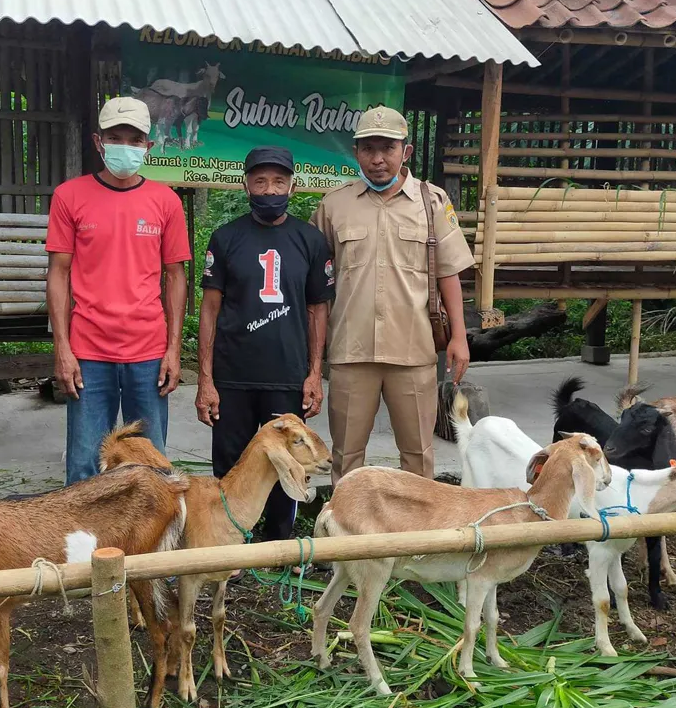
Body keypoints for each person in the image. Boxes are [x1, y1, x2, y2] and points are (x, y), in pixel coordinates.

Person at [311, 106, 474, 483]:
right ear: (356, 152)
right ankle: (348, 538)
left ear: (407, 151)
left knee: (417, 456)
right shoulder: (334, 205)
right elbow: (316, 280)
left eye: (387, 148)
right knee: (346, 456)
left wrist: (460, 338)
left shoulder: (431, 203)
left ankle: (416, 539)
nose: (378, 159)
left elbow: (449, 272)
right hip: (352, 352)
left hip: (413, 350)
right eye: (368, 148)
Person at [45, 97, 191, 485]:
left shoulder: (166, 202)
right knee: (84, 468)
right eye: (115, 137)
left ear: (148, 146)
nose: (124, 146)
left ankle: (147, 544)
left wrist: (174, 349)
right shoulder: (69, 196)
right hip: (89, 353)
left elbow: (175, 276)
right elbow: (58, 273)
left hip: (148, 352)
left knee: (152, 467)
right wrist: (62, 347)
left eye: (134, 139)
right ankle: (85, 546)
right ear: (98, 141)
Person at [195, 146, 334, 541]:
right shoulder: (226, 238)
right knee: (231, 464)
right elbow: (209, 310)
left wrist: (313, 374)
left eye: (277, 181)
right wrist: (206, 380)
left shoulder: (310, 240)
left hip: (287, 375)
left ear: (292, 185)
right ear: (245, 184)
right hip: (233, 375)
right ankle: (232, 543)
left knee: (289, 461)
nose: (269, 189)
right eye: (260, 181)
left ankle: (279, 544)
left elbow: (316, 311)